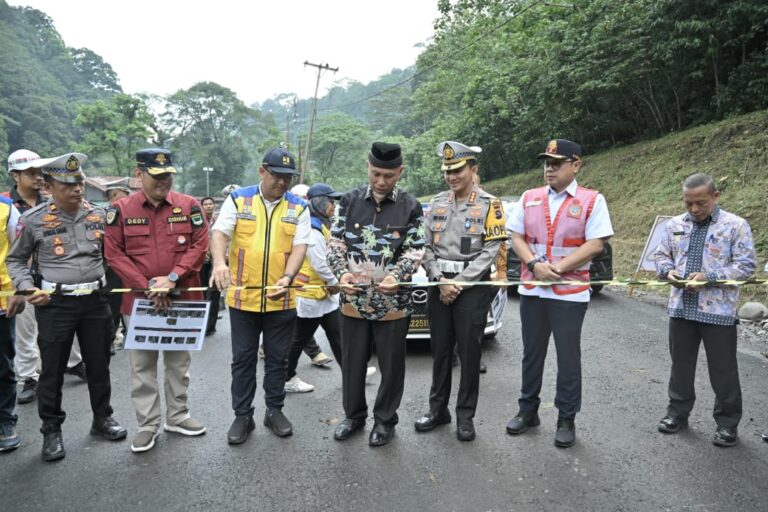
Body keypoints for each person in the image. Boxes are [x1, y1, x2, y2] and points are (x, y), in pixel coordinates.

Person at [7, 152, 127, 461]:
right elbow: (16, 260)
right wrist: (26, 287)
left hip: (95, 302)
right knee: (53, 371)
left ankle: (103, 418)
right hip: (55, 304)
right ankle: (51, 430)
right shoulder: (32, 220)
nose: (77, 189)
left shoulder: (100, 215)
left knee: (99, 366)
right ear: (48, 186)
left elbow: (116, 255)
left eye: (80, 183)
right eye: (67, 184)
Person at [506, 139, 613, 448]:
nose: (549, 169)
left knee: (568, 358)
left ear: (575, 164)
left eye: (556, 163)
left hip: (570, 292)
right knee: (531, 353)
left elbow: (596, 244)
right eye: (546, 163)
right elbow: (516, 235)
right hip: (534, 289)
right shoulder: (529, 197)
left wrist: (559, 267)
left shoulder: (592, 200)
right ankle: (528, 411)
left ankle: (566, 417)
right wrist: (534, 264)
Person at [105, 148, 209, 453]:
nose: (164, 182)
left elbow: (200, 246)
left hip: (183, 296)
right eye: (157, 176)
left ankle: (178, 415)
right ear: (139, 175)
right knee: (142, 365)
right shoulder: (120, 210)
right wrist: (149, 286)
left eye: (168, 176)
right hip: (139, 300)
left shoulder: (189, 206)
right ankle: (147, 424)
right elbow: (114, 254)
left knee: (179, 363)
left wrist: (173, 278)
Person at [210, 147, 310, 444]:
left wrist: (288, 278)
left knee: (278, 359)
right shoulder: (239, 199)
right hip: (243, 299)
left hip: (282, 298)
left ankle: (274, 410)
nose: (282, 183)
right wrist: (218, 263)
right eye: (277, 176)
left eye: (287, 178)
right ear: (262, 171)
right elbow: (220, 234)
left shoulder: (298, 207)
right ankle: (243, 415)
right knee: (243, 358)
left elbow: (300, 247)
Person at [328, 142, 425, 447]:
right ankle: (354, 416)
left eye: (388, 175)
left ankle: (385, 421)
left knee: (392, 365)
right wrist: (341, 273)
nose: (381, 182)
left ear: (400, 172)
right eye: (375, 174)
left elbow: (415, 248)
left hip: (393, 303)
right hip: (353, 300)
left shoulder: (411, 206)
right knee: (353, 363)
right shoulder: (348, 201)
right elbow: (336, 244)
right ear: (367, 168)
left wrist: (398, 275)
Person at [653, 173, 756, 447]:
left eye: (701, 203)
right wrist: (668, 271)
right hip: (681, 309)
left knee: (723, 370)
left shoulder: (736, 226)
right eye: (689, 203)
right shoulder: (674, 224)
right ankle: (677, 413)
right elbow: (661, 256)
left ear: (716, 196)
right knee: (680, 366)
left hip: (718, 313)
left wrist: (709, 277)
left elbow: (746, 266)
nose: (694, 209)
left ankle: (727, 424)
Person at [415, 141, 506, 442]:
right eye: (447, 171)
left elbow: (491, 249)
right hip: (439, 285)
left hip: (471, 289)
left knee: (469, 354)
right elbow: (425, 246)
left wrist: (461, 283)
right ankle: (438, 410)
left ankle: (465, 416)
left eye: (457, 170)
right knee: (440, 352)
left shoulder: (490, 204)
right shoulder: (437, 203)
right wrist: (440, 279)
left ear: (473, 169)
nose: (451, 176)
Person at [4, 150, 88, 404]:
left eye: (40, 174)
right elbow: (11, 252)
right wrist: (18, 286)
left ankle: (73, 363)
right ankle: (29, 377)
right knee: (26, 330)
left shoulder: (52, 200)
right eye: (31, 174)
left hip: (55, 277)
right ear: (15, 175)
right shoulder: (6, 205)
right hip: (24, 280)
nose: (38, 178)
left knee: (65, 327)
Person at [285, 183, 344, 393]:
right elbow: (320, 263)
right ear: (319, 202)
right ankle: (287, 377)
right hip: (310, 295)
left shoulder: (322, 223)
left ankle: (353, 372)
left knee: (338, 335)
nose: (334, 206)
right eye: (331, 201)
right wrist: (335, 283)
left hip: (323, 296)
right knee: (298, 340)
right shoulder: (312, 228)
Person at [0, 191, 24, 452]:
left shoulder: (6, 208)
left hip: (1, 300)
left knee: (3, 365)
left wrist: (19, 289)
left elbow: (20, 253)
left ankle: (5, 420)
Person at [104, 185, 131, 352]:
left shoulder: (136, 212)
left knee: (132, 303)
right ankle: (110, 340)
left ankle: (131, 334)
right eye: (112, 196)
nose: (115, 199)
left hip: (134, 267)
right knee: (113, 305)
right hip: (113, 268)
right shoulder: (106, 215)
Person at [199, 196, 220, 336]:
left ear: (214, 206)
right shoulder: (197, 221)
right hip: (201, 261)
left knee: (213, 292)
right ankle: (199, 323)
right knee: (200, 291)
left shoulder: (220, 220)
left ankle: (210, 326)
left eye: (210, 204)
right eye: (205, 204)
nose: (208, 206)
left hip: (217, 261)